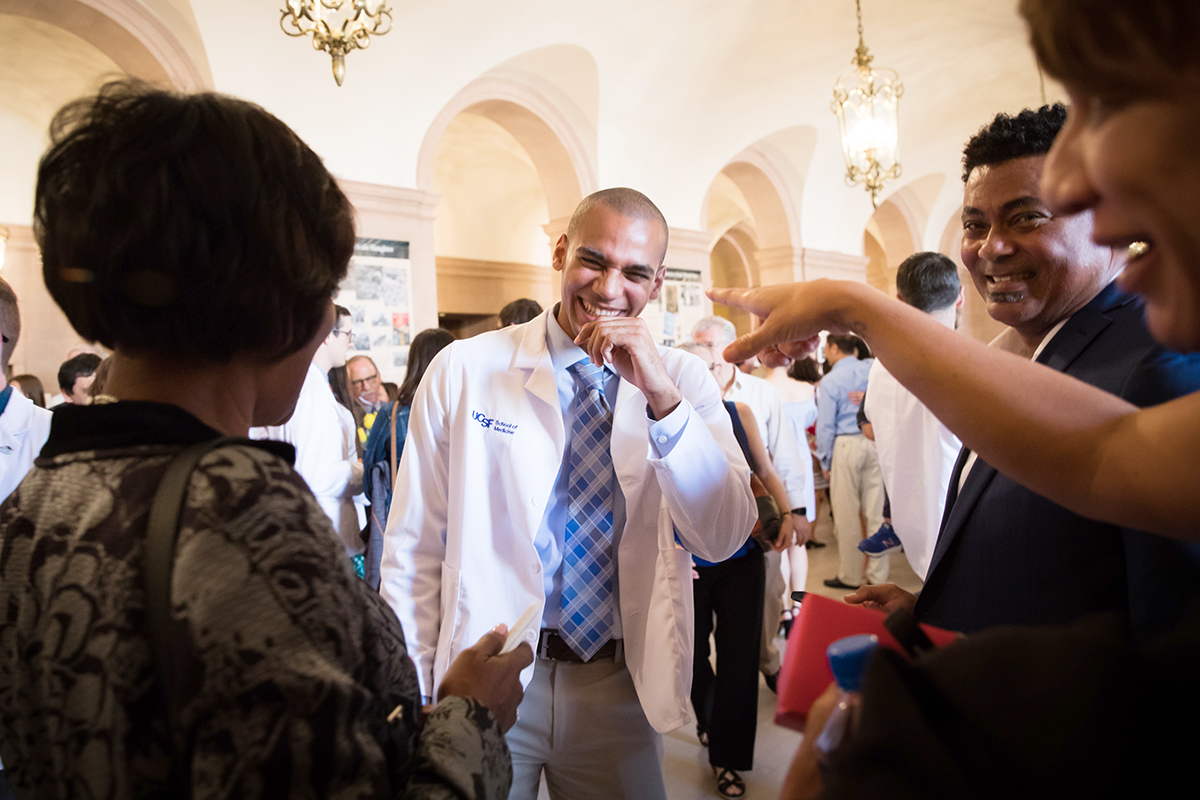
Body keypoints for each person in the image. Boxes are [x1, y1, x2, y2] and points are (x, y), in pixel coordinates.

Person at [0, 80, 530, 800]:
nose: (326, 327)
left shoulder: (38, 495)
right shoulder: (242, 519)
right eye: (325, 295)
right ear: (279, 308)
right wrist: (473, 719)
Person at [380, 187, 756, 800]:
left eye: (635, 273)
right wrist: (417, 693)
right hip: (488, 673)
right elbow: (415, 546)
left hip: (619, 682)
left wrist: (662, 399)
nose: (609, 289)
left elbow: (723, 535)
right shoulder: (464, 369)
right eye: (593, 261)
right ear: (560, 253)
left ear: (658, 282)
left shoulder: (683, 380)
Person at [677, 342, 786, 799]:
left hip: (742, 558)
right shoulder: (654, 419)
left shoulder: (738, 413)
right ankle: (708, 718)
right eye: (697, 367)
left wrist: (789, 513)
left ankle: (728, 757)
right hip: (687, 564)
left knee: (740, 658)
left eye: (714, 366)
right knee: (689, 656)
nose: (708, 374)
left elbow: (765, 469)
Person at [691, 316, 813, 690]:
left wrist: (795, 512)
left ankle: (768, 663)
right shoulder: (684, 398)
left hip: (756, 525)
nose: (705, 355)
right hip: (700, 537)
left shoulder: (757, 395)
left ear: (731, 347)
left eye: (710, 345)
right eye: (698, 345)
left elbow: (779, 461)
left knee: (767, 600)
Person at [857, 252, 963, 579]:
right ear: (961, 297)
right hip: (959, 517)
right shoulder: (967, 361)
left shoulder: (881, 366)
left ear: (900, 300)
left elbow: (872, 427)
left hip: (910, 521)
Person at [254, 305, 368, 573]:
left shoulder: (312, 385)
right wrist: (364, 470)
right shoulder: (311, 392)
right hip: (326, 539)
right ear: (328, 336)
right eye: (347, 334)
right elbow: (315, 476)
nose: (350, 343)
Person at [361, 327, 454, 589]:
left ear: (413, 363)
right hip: (456, 522)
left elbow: (370, 477)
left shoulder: (392, 413)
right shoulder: (467, 409)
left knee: (408, 593)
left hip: (405, 524)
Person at [815, 334, 886, 590]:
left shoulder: (830, 380)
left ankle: (851, 576)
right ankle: (878, 576)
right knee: (876, 513)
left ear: (835, 348)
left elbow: (825, 425)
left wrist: (825, 460)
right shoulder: (874, 368)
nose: (825, 353)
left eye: (826, 348)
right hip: (875, 440)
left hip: (845, 444)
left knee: (846, 515)